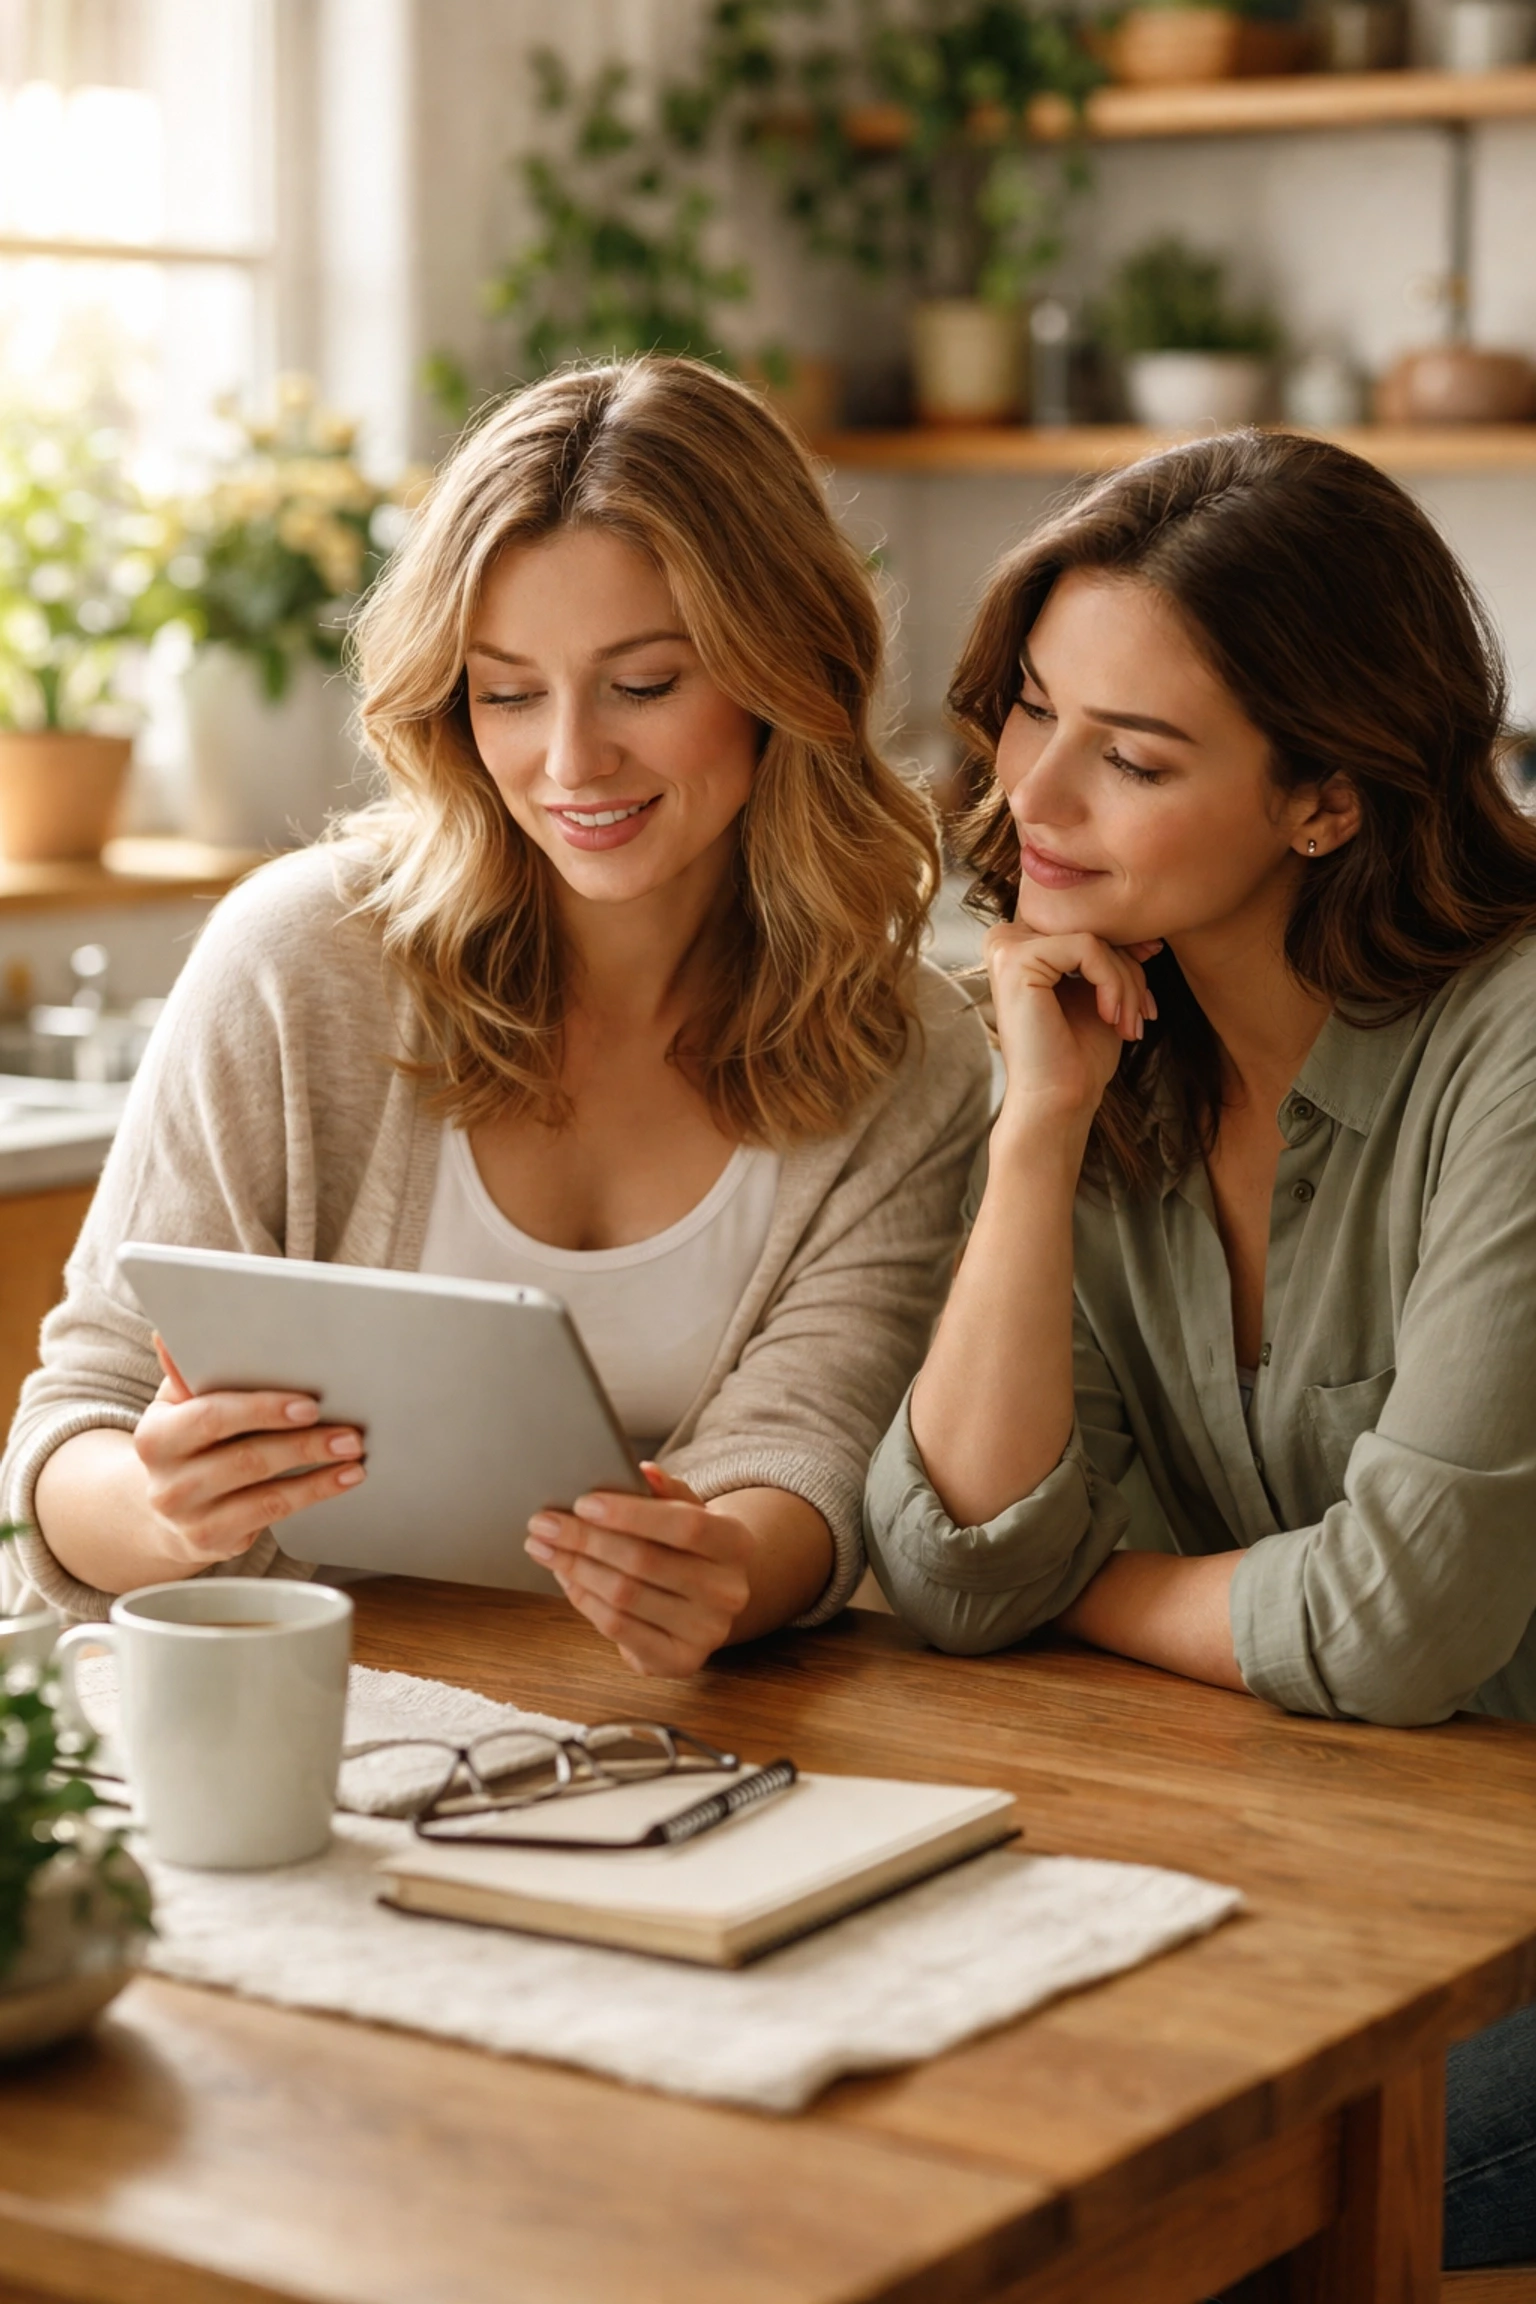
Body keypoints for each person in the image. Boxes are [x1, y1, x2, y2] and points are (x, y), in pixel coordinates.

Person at [3, 355, 990, 1677]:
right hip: (299, 1700)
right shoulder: (301, 962)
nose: (572, 762)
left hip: (672, 1730)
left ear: (784, 676)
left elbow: (802, 1449)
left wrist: (726, 1573)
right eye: (509, 691)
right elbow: (79, 1427)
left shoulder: (903, 1046)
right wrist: (164, 1509)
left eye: (645, 685)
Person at [862, 428, 1536, 2268]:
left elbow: (1401, 1623)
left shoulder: (1516, 1048)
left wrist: (1079, 1583)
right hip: (1327, 1862)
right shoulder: (1079, 1017)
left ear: (1326, 798)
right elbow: (945, 1558)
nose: (1034, 797)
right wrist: (1034, 1131)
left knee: (1149, 2201)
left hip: (1505, 1904)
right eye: (1032, 713)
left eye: (1134, 756)